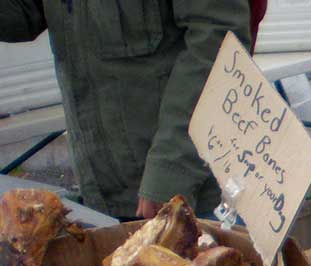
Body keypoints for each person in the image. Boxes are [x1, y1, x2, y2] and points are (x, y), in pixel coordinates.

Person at [0, 1, 258, 220]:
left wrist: (172, 170)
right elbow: (25, 12)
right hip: (105, 190)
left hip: (191, 191)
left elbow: (218, 42)